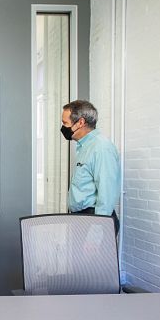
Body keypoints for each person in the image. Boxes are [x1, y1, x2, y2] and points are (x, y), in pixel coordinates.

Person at [60, 100, 121, 234]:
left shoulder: (101, 148)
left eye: (65, 123)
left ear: (80, 122)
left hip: (95, 222)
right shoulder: (84, 147)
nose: (63, 127)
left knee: (93, 256)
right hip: (82, 219)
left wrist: (95, 235)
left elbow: (107, 195)